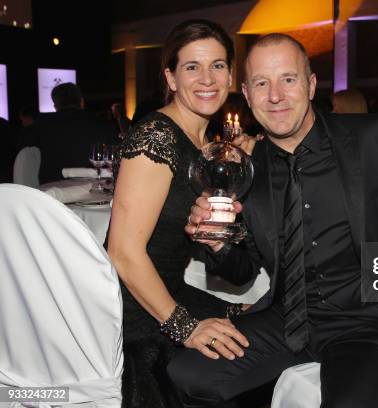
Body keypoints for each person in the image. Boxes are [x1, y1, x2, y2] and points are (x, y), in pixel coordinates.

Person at [174, 33, 378, 407]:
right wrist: (217, 244)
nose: (275, 95)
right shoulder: (246, 170)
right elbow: (243, 271)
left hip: (370, 321)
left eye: (288, 80)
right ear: (246, 93)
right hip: (286, 320)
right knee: (188, 373)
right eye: (262, 83)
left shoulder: (373, 137)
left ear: (310, 85)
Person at [105, 20, 251, 408]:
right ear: (170, 77)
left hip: (168, 289)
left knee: (255, 327)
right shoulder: (157, 136)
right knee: (230, 366)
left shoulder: (207, 143)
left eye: (218, 65)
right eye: (192, 67)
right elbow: (121, 252)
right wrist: (185, 328)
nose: (207, 78)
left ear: (231, 75)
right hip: (131, 308)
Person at [26, 82, 116, 183]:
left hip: (51, 190)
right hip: (94, 189)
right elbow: (114, 157)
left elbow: (22, 147)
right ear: (82, 102)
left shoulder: (42, 124)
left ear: (55, 106)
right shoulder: (103, 124)